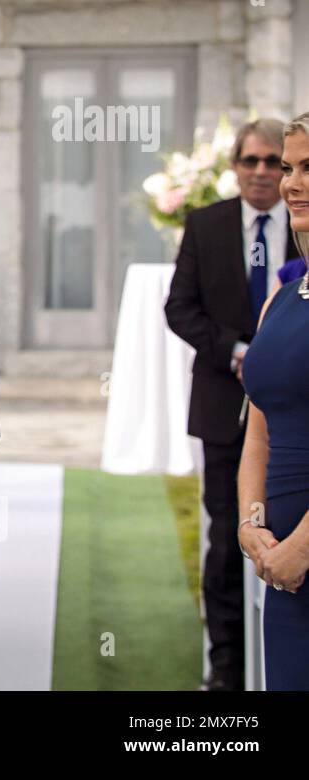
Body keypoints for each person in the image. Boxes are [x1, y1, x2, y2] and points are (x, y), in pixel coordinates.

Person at [165, 116, 291, 690]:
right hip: (224, 403)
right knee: (227, 538)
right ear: (236, 167)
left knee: (286, 527)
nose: (263, 172)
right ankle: (227, 668)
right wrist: (237, 351)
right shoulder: (207, 225)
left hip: (292, 410)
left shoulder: (302, 222)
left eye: (275, 162)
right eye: (253, 160)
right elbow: (180, 308)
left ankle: (282, 655)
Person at [238, 112, 309, 690]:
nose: (291, 183)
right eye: (288, 167)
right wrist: (251, 524)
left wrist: (301, 547)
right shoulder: (281, 298)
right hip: (284, 573)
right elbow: (258, 433)